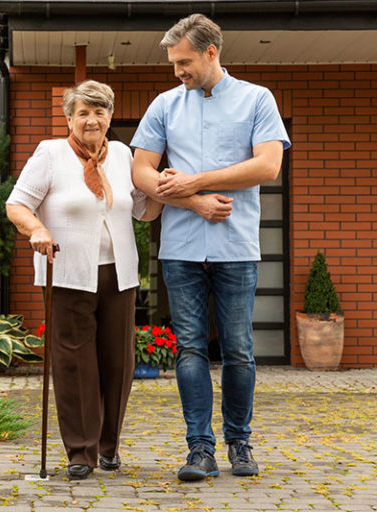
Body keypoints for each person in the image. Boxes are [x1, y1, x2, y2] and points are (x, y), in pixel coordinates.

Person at [130, 14, 290, 481]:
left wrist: (194, 180)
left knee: (239, 348)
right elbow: (142, 172)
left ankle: (239, 444)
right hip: (179, 246)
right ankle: (199, 450)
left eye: (184, 62)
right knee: (190, 350)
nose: (178, 71)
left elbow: (267, 167)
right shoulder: (164, 104)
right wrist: (195, 201)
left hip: (237, 247)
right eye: (174, 63)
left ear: (211, 52)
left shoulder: (257, 99)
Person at [6, 80, 162, 480]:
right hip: (68, 271)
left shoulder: (124, 154)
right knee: (75, 363)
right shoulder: (51, 153)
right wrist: (36, 230)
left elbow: (143, 212)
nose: (92, 120)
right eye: (83, 113)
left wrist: (165, 188)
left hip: (120, 273)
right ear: (69, 118)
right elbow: (17, 203)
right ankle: (81, 451)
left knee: (118, 362)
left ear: (110, 116)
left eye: (100, 112)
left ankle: (109, 447)